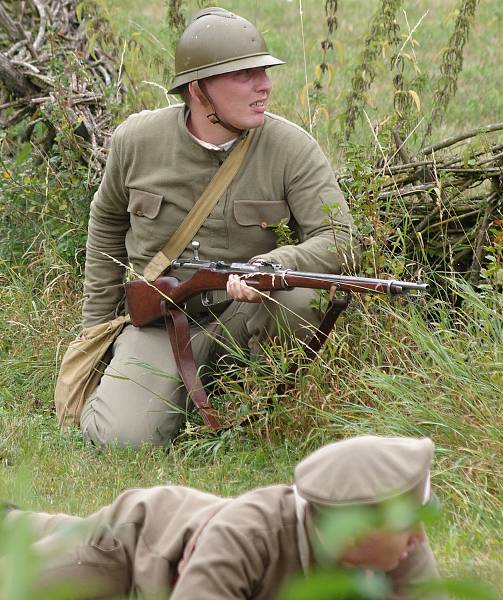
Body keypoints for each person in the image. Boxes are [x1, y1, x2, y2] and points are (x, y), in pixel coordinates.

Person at [77, 6, 357, 446]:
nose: (264, 85)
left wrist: (272, 263)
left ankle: (253, 403)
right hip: (162, 320)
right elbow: (107, 221)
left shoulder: (291, 148)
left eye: (263, 71)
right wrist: (95, 331)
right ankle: (158, 393)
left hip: (246, 317)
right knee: (122, 440)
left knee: (303, 296)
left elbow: (340, 239)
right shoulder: (136, 141)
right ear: (199, 91)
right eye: (244, 75)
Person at [4, 435, 444, 600]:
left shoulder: (400, 556)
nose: (420, 538)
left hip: (182, 524)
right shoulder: (251, 533)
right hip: (133, 548)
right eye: (408, 524)